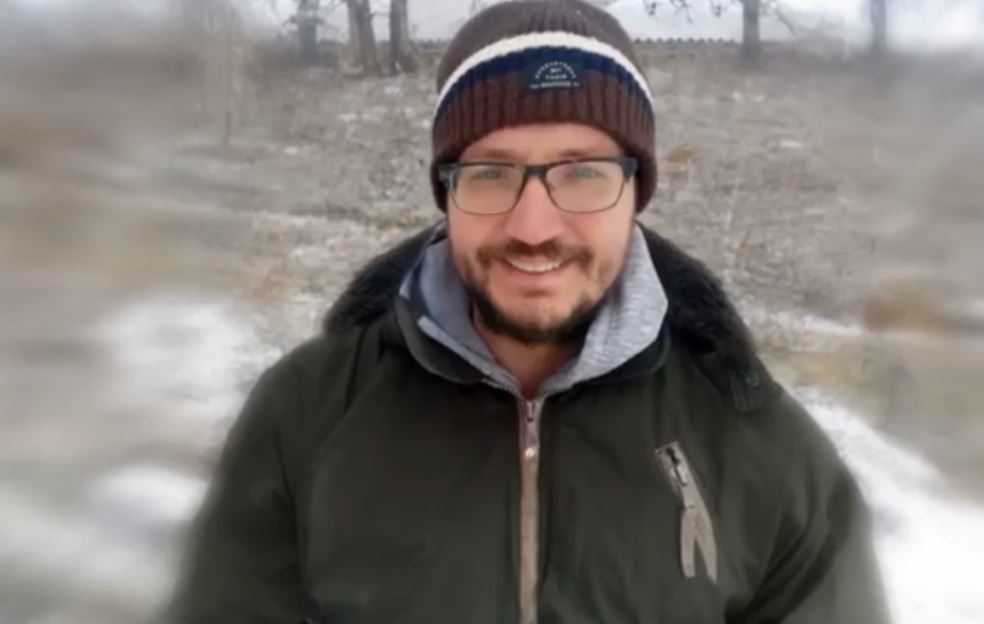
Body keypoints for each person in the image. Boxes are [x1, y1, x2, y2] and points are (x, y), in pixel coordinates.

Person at [168, 1, 890, 622]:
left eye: (583, 173)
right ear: (446, 193)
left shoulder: (758, 445)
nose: (534, 227)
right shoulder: (307, 415)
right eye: (491, 173)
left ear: (636, 192)